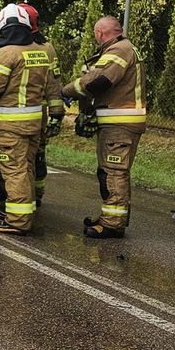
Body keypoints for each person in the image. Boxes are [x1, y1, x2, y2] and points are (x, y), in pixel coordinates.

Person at [0, 3, 58, 236]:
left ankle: (18, 221)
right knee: (26, 168)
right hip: (34, 123)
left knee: (13, 170)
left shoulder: (6, 52)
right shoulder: (40, 50)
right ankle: (25, 213)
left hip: (10, 126)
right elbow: (52, 86)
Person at [63, 16, 146, 239]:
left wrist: (66, 91)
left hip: (121, 123)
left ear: (100, 33)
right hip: (117, 122)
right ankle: (111, 218)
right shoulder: (122, 48)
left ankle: (112, 224)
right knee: (109, 172)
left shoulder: (119, 50)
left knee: (114, 173)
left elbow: (96, 82)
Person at [18, 3, 65, 206]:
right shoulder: (47, 49)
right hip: (38, 115)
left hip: (8, 114)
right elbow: (55, 85)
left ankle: (7, 196)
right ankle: (33, 197)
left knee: (18, 156)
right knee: (36, 154)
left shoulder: (5, 46)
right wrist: (56, 114)